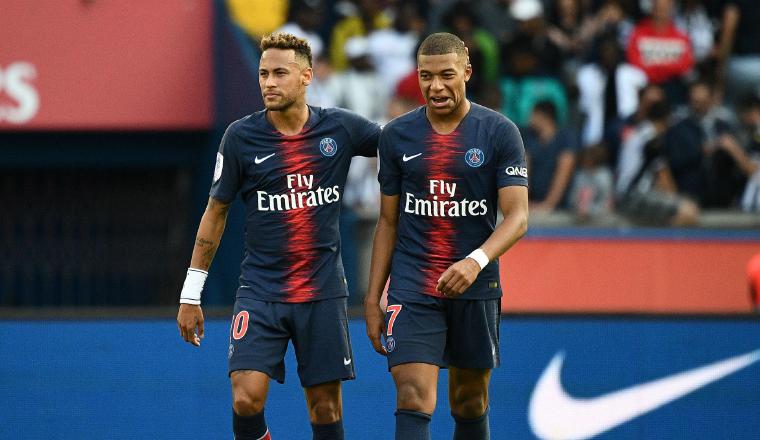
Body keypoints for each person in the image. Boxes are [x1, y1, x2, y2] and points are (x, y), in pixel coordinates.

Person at [176, 33, 380, 440]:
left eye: (279, 73)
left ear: (306, 77)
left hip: (321, 291)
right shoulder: (241, 137)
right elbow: (215, 213)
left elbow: (402, 146)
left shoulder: (339, 128)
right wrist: (190, 292)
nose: (268, 82)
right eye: (263, 73)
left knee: (324, 407)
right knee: (245, 398)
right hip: (261, 289)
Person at [365, 32, 529, 440]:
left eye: (446, 75)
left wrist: (475, 261)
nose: (435, 87)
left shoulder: (499, 132)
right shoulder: (396, 136)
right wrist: (372, 298)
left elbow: (518, 216)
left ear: (467, 73)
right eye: (426, 77)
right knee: (413, 395)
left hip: (475, 285)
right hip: (413, 286)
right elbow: (387, 222)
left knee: (470, 400)